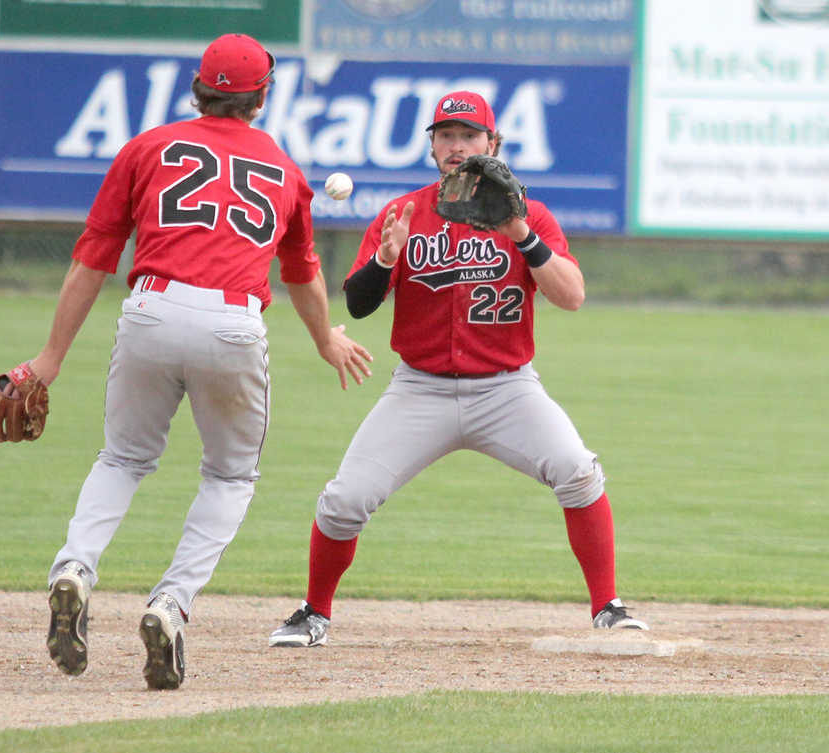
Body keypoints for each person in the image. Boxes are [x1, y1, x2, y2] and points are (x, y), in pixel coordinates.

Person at [33, 33, 374, 690]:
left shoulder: (147, 148)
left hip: (151, 308)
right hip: (232, 323)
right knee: (229, 477)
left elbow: (94, 258)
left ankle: (74, 567)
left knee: (123, 458)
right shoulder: (283, 167)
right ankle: (171, 601)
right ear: (261, 95)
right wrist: (326, 338)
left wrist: (50, 357)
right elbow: (301, 271)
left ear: (199, 86)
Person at [268, 90, 648, 648]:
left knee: (578, 470)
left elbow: (571, 296)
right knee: (345, 499)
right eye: (445, 136)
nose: (456, 146)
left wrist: (520, 232)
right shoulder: (404, 213)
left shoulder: (530, 216)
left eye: (469, 136)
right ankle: (314, 612)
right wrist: (385, 259)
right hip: (419, 390)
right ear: (432, 146)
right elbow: (358, 305)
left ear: (492, 144)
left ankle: (608, 607)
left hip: (507, 390)